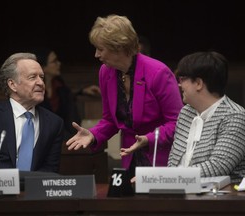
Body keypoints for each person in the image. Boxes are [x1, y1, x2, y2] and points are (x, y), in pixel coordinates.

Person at [66, 14, 183, 178]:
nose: (96, 55)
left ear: (118, 47)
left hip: (161, 158)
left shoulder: (158, 73)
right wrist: (93, 134)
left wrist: (148, 139)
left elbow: (178, 122)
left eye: (101, 49)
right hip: (129, 159)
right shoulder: (105, 72)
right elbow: (109, 120)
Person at [0, 52, 64, 172]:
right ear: (12, 84)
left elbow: (50, 170)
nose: (41, 83)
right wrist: (10, 183)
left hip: (34, 189)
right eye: (32, 77)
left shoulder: (54, 123)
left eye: (41, 77)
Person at [168, 51, 245, 183]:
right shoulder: (186, 112)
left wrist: (167, 178)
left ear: (198, 83)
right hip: (181, 192)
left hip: (221, 199)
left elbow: (217, 167)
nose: (179, 84)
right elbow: (173, 161)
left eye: (182, 79)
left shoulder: (235, 116)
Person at [35, 48, 100, 139]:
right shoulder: (34, 90)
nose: (59, 64)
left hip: (62, 137)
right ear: (43, 67)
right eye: (54, 61)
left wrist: (82, 91)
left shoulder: (60, 86)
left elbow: (67, 96)